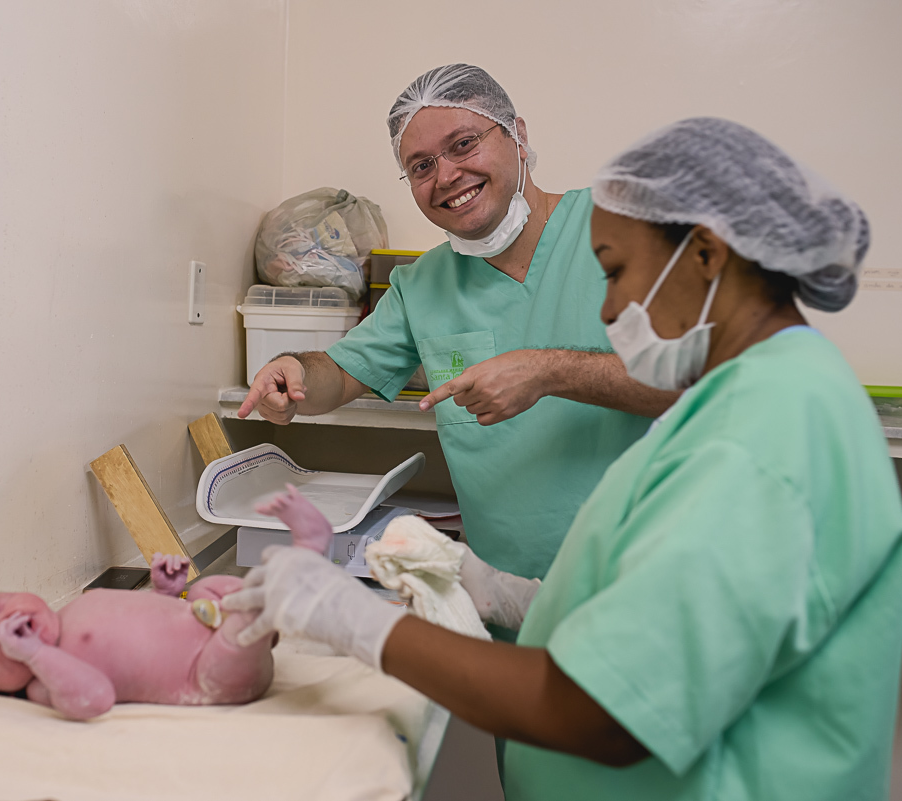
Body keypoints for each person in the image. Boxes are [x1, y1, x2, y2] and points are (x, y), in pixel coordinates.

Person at [223, 117, 902, 800]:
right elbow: (682, 605)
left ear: (705, 254)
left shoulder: (759, 437)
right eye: (421, 164)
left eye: (614, 271)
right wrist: (516, 596)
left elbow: (602, 710)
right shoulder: (767, 390)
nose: (609, 306)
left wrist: (353, 619)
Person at [239, 65, 678, 605]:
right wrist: (294, 374)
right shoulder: (420, 285)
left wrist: (548, 371)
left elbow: (702, 381)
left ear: (517, 134)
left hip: (644, 589)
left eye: (464, 144)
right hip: (507, 600)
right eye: (421, 166)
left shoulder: (623, 229)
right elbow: (338, 374)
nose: (445, 176)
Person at [0, 547, 292, 718]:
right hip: (208, 672)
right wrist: (34, 654)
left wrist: (167, 593)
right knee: (238, 631)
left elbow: (147, 625)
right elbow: (96, 698)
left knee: (204, 588)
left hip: (205, 622)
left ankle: (264, 621)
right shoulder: (44, 683)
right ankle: (266, 611)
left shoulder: (76, 607)